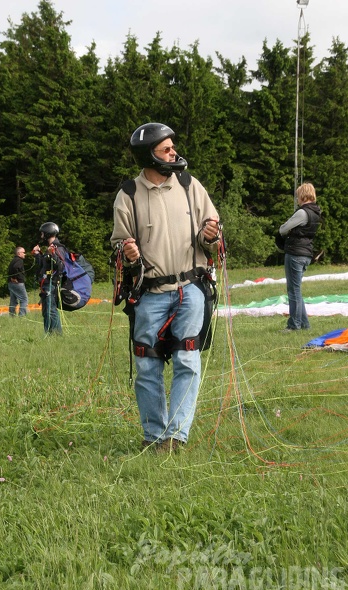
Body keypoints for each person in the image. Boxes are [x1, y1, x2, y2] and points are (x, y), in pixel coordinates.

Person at [111, 122, 220, 451]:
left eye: (172, 147)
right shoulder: (128, 195)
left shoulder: (189, 184)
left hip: (191, 287)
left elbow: (209, 233)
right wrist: (128, 253)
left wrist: (210, 237)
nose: (174, 152)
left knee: (188, 358)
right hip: (150, 294)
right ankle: (154, 435)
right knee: (147, 363)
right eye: (166, 149)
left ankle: (176, 437)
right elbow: (119, 248)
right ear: (149, 156)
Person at [278, 182, 321, 331]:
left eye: (298, 196)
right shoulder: (316, 212)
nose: (297, 199)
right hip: (306, 253)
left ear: (303, 195)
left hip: (295, 253)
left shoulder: (302, 212)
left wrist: (283, 230)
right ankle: (304, 324)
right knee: (297, 289)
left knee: (293, 290)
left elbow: (283, 229)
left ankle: (294, 325)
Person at [32, 222, 66, 335]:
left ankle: (54, 334)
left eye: (42, 233)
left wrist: (53, 255)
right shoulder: (49, 248)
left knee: (50, 310)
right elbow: (44, 265)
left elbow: (61, 266)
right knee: (46, 311)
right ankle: (51, 334)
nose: (41, 236)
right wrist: (37, 254)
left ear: (47, 233)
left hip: (52, 284)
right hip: (45, 283)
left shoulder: (58, 247)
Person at [7, 247, 29, 317]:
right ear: (19, 253)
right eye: (23, 252)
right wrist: (14, 277)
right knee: (24, 300)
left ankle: (12, 316)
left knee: (13, 300)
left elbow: (10, 269)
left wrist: (12, 278)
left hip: (11, 283)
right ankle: (22, 316)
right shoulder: (19, 260)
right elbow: (15, 268)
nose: (24, 254)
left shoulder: (13, 260)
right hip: (18, 283)